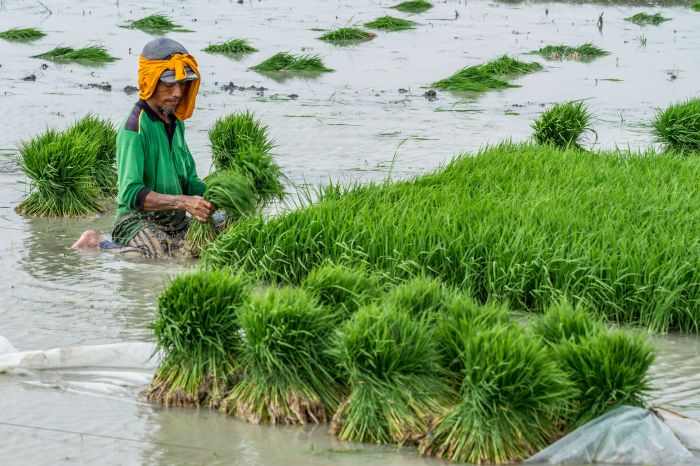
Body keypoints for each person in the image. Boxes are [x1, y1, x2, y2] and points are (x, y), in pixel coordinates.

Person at [72, 38, 213, 257]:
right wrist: (184, 202)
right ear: (150, 82)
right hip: (137, 220)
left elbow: (189, 181)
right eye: (168, 84)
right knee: (154, 254)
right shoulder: (134, 128)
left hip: (175, 221)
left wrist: (219, 194)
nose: (177, 93)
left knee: (224, 232)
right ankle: (98, 242)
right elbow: (130, 192)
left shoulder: (176, 123)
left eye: (182, 84)